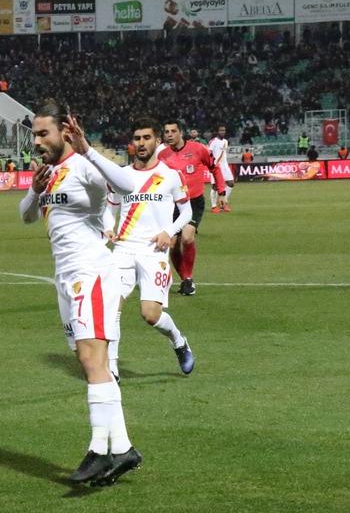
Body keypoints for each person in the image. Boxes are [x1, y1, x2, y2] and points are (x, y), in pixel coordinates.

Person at [17, 103, 140, 488]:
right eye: (34, 134)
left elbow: (128, 186)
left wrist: (87, 149)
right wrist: (34, 193)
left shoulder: (84, 166)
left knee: (92, 360)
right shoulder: (48, 173)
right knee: (91, 361)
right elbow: (25, 217)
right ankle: (121, 447)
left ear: (63, 133)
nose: (36, 142)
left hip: (91, 273)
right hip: (65, 279)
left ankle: (99, 449)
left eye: (43, 134)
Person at [102, 119, 196, 379]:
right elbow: (109, 208)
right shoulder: (122, 176)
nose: (141, 143)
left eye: (146, 138)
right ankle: (112, 368)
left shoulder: (170, 175)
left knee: (150, 314)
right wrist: (109, 227)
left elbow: (186, 210)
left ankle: (179, 341)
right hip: (122, 249)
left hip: (154, 252)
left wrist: (170, 231)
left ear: (157, 141)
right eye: (137, 138)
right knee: (111, 307)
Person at [160, 120, 226, 296]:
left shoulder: (198, 149)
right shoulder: (162, 156)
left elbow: (215, 168)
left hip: (193, 202)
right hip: (171, 205)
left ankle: (188, 277)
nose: (169, 135)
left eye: (173, 131)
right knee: (172, 244)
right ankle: (186, 279)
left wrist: (221, 191)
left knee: (187, 237)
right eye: (166, 132)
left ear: (181, 132)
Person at [207, 125, 234, 213]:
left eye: (224, 130)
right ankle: (214, 206)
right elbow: (209, 153)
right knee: (215, 186)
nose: (223, 132)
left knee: (230, 183)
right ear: (217, 131)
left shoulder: (226, 141)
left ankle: (223, 203)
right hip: (216, 166)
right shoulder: (213, 141)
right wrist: (212, 164)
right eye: (221, 130)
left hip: (225, 166)